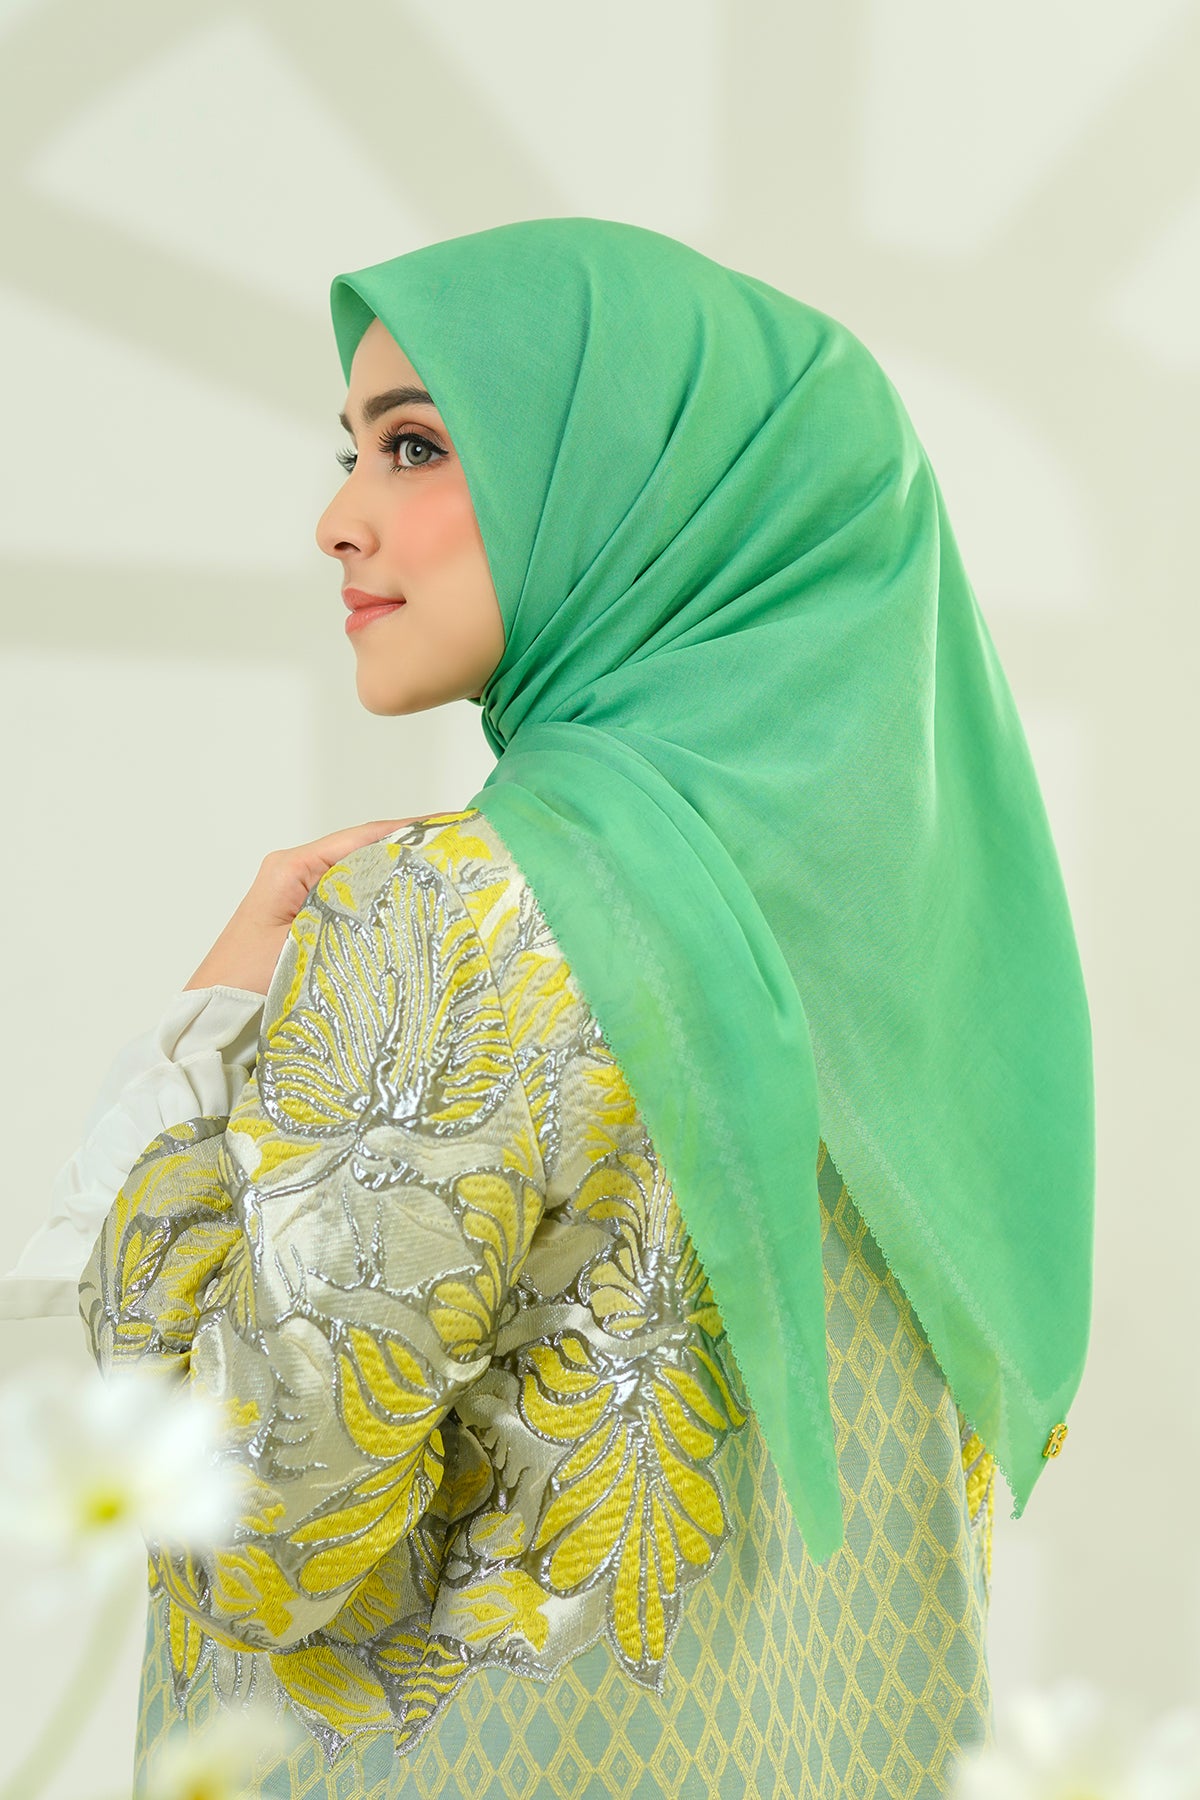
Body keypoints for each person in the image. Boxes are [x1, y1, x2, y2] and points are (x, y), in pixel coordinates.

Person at [0, 216, 1094, 1799]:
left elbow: (242, 1523)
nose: (338, 520)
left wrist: (207, 1033)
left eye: (417, 447)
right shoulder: (927, 972)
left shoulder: (460, 916)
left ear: (637, 491)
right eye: (356, 452)